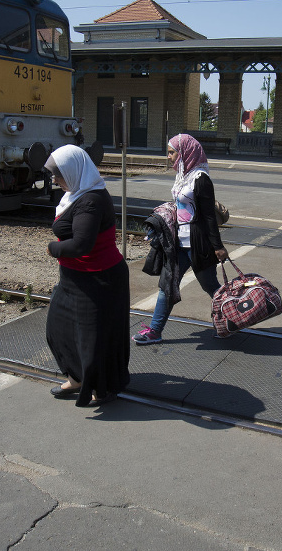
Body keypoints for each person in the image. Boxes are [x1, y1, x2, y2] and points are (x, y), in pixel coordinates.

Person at [44, 145, 130, 407]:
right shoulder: (75, 194)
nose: (54, 180)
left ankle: (100, 388)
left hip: (98, 280)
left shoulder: (90, 200)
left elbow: (82, 244)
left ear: (72, 171)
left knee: (94, 341)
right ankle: (78, 377)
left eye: (56, 174)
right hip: (73, 278)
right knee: (58, 329)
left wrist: (53, 248)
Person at [133, 133, 229, 344]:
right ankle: (155, 331)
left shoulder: (201, 179)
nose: (168, 156)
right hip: (178, 244)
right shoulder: (183, 175)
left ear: (185, 152)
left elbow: (209, 217)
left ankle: (229, 321)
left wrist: (218, 246)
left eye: (171, 152)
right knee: (167, 285)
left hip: (198, 245)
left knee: (211, 286)